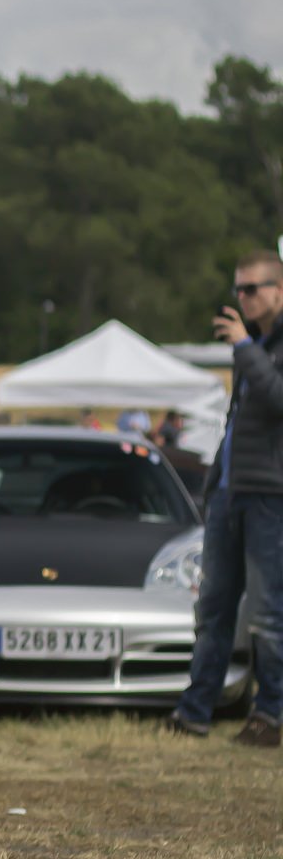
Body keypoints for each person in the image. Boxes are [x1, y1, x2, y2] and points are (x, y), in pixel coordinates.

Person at [167, 250, 283, 746]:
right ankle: (195, 710)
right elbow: (238, 420)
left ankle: (269, 715)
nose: (241, 298)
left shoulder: (256, 347)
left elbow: (279, 399)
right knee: (213, 605)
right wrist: (215, 485)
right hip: (230, 494)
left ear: (279, 291)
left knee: (266, 611)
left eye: (251, 289)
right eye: (237, 289)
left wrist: (243, 347)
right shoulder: (254, 345)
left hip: (269, 497)